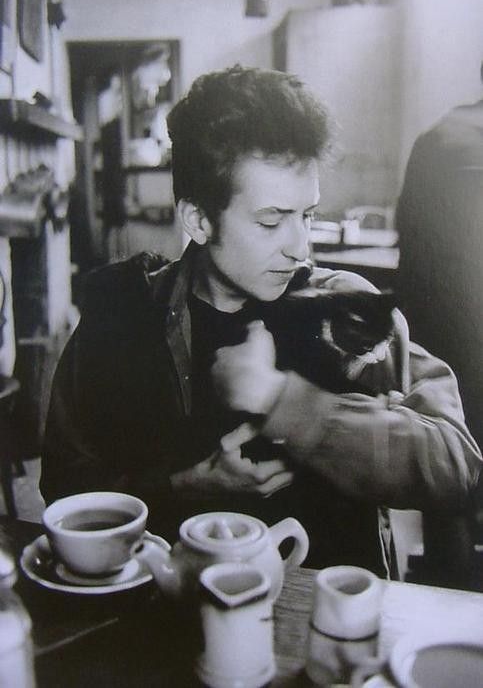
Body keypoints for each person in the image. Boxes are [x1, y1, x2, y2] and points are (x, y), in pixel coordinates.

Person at [40, 65, 481, 577]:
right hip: (168, 609)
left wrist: (286, 403)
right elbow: (65, 491)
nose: (300, 247)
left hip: (327, 620)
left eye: (308, 215)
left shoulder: (347, 311)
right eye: (271, 220)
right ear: (198, 220)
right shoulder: (119, 313)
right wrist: (188, 484)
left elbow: (459, 467)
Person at [395, 64, 483, 585]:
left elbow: (411, 248)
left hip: (446, 344)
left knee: (448, 471)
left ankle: (451, 586)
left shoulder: (438, 139)